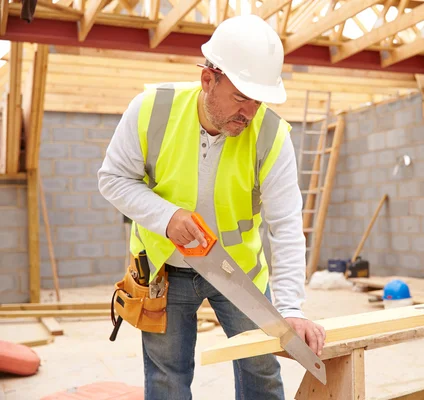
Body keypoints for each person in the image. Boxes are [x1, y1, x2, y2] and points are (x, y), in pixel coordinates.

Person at [97, 14, 325, 400]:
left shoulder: (270, 135)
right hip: (162, 270)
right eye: (239, 97)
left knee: (262, 372)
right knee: (167, 379)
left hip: (239, 273)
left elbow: (285, 225)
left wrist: (291, 307)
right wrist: (166, 217)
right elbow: (112, 179)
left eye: (257, 100)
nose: (249, 112)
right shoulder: (151, 110)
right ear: (208, 79)